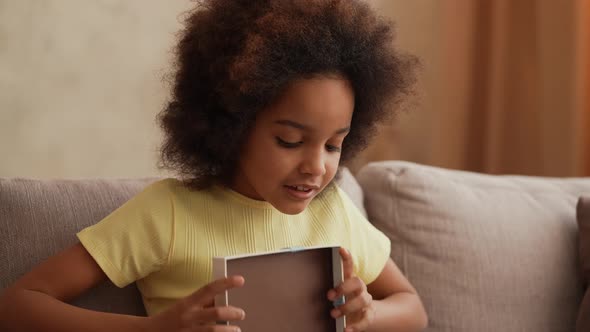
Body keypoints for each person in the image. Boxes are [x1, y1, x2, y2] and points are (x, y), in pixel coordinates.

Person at [0, 0, 427, 331]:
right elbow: (19, 305)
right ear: (232, 123)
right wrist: (154, 330)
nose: (316, 167)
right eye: (290, 141)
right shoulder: (168, 213)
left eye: (334, 145)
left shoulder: (334, 214)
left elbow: (414, 309)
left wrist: (368, 315)